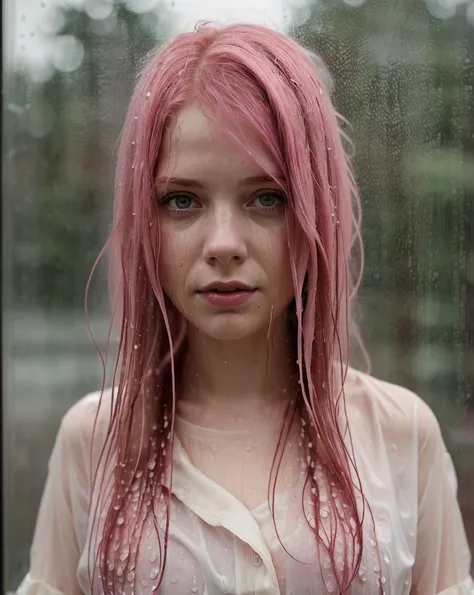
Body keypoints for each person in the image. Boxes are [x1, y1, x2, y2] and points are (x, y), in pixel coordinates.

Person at [17, 22, 472, 595]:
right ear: (145, 221)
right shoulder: (94, 440)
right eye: (182, 201)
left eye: (267, 198)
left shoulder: (401, 434)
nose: (224, 243)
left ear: (314, 207)